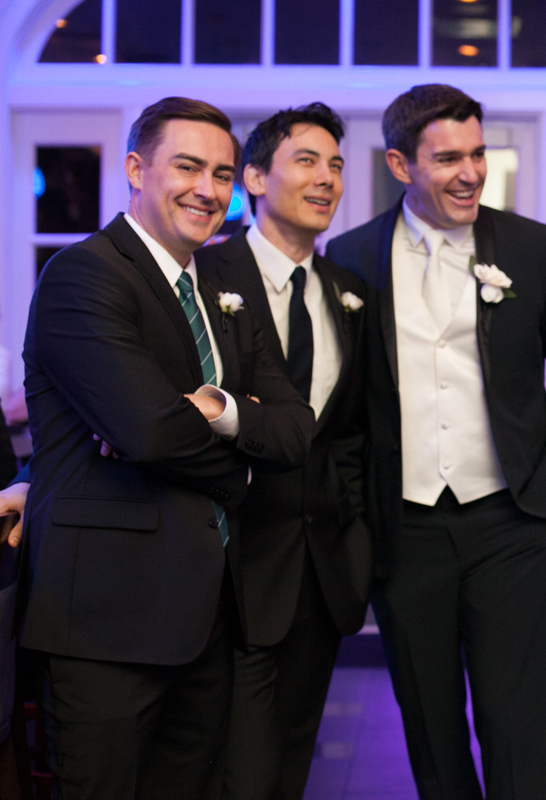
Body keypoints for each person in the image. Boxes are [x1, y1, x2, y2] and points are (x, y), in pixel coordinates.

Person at [15, 97, 314, 799]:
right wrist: (242, 467)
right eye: (187, 167)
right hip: (105, 618)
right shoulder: (83, 276)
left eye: (221, 173)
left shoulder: (221, 285)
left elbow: (297, 427)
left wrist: (215, 409)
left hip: (206, 613)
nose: (208, 190)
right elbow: (148, 430)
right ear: (134, 168)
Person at [325, 83, 546, 800]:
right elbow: (344, 411)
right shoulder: (351, 259)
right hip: (405, 531)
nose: (471, 172)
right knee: (432, 734)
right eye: (448, 158)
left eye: (478, 153)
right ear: (399, 164)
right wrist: (362, 512)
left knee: (515, 731)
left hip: (512, 524)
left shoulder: (534, 248)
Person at [194, 102, 371, 800]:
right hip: (227, 570)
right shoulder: (206, 275)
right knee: (234, 771)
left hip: (319, 575)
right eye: (308, 161)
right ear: (256, 179)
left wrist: (354, 533)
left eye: (336, 166)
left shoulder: (350, 292)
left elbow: (349, 432)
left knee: (292, 769)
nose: (327, 179)